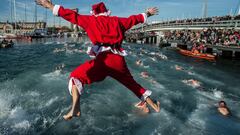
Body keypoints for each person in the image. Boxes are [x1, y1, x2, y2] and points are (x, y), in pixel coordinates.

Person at [36, 0, 160, 120]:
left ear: (93, 13)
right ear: (107, 12)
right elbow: (134, 19)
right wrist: (148, 13)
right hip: (118, 60)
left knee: (76, 77)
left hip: (102, 60)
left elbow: (70, 15)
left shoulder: (90, 20)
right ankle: (154, 106)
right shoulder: (117, 21)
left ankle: (76, 106)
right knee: (133, 85)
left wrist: (49, 5)